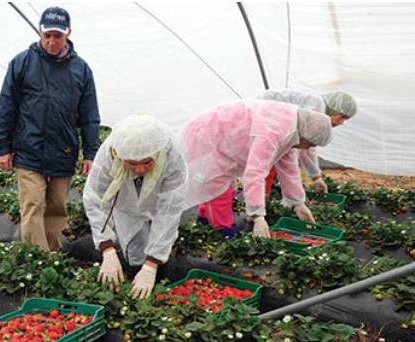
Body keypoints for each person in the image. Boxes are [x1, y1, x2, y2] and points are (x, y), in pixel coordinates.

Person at [0, 6, 100, 251]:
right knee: (32, 205)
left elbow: (89, 116)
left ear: (68, 34)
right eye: (47, 35)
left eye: (58, 36)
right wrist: (2, 147)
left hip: (63, 149)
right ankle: (38, 261)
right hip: (28, 148)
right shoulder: (22, 63)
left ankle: (52, 255)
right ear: (41, 33)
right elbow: (6, 107)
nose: (52, 41)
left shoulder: (81, 70)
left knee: (56, 208)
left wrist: (91, 153)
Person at [178, 100, 332, 238]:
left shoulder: (293, 129)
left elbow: (288, 167)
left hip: (225, 138)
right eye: (310, 144)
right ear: (306, 136)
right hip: (209, 136)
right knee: (218, 189)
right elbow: (255, 173)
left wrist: (298, 202)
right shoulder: (273, 133)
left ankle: (204, 221)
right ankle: (222, 232)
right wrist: (258, 216)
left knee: (225, 188)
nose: (307, 148)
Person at [83, 114, 188, 299]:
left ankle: (155, 282)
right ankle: (136, 290)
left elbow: (169, 210)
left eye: (147, 162)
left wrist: (152, 264)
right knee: (135, 248)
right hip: (126, 204)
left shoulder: (171, 153)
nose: (140, 169)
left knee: (157, 252)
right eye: (132, 163)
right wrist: (106, 248)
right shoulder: (109, 152)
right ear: (119, 156)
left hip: (158, 200)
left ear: (158, 153)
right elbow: (95, 198)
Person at [256, 89, 357, 194]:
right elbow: (304, 148)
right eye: (342, 116)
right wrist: (315, 177)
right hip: (261, 118)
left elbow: (307, 147)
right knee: (264, 168)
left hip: (266, 123)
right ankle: (256, 203)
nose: (341, 122)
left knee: (268, 167)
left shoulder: (317, 111)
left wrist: (316, 178)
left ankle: (258, 201)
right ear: (333, 108)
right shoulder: (316, 109)